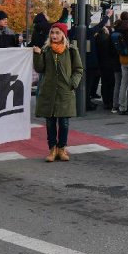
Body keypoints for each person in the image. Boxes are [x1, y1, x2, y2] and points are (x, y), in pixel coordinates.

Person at [33, 21, 82, 162]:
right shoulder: (46, 50)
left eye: (57, 33)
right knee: (50, 122)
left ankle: (62, 149)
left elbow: (78, 69)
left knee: (64, 123)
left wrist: (73, 83)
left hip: (65, 91)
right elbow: (40, 69)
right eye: (52, 33)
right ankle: (52, 150)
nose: (54, 35)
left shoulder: (71, 50)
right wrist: (37, 55)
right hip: (48, 92)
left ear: (63, 35)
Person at [95, 21, 121, 111]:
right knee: (111, 83)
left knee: (104, 83)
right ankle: (110, 101)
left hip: (102, 64)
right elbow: (113, 52)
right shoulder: (108, 39)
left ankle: (106, 101)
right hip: (110, 64)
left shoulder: (97, 39)